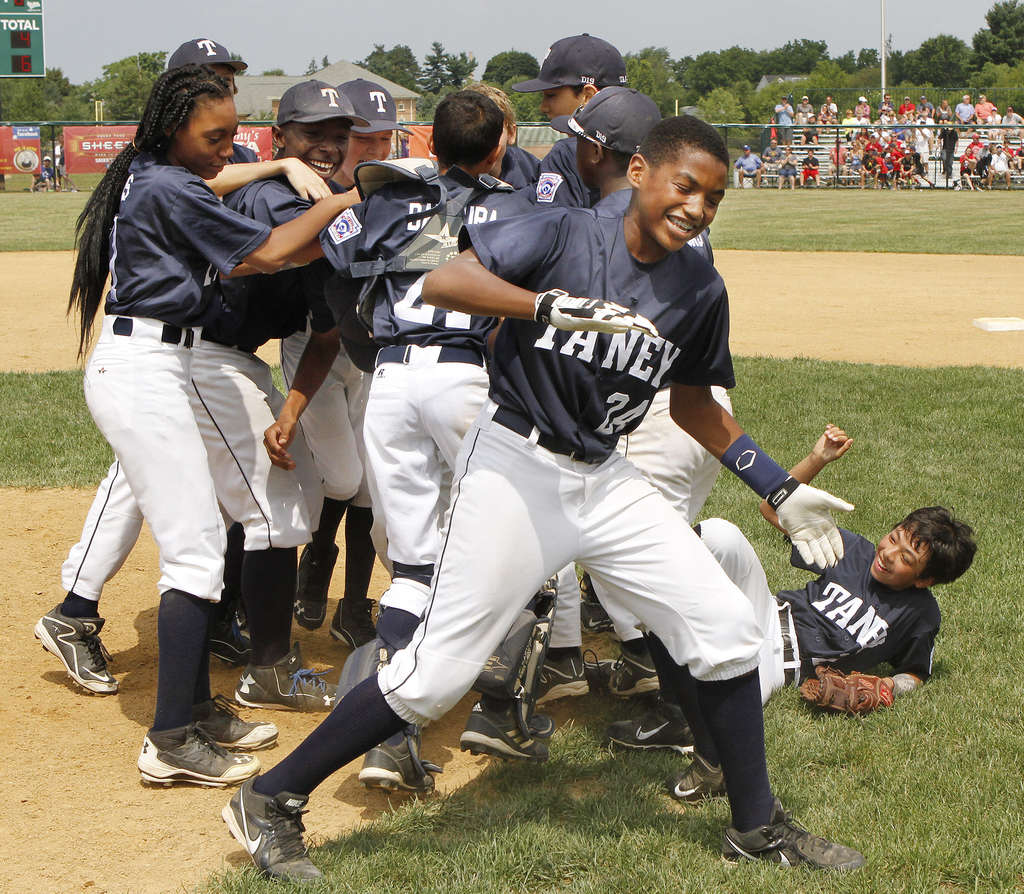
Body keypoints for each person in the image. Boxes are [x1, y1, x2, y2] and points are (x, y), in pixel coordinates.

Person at [222, 114, 865, 880]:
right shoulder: (563, 234)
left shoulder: (698, 286)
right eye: (684, 186)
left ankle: (755, 827)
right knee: (433, 675)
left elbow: (694, 405)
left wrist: (779, 483)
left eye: (714, 197)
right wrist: (545, 306)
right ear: (640, 175)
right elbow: (444, 279)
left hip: (607, 478)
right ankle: (271, 797)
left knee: (726, 630)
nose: (696, 207)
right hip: (516, 468)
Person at [59, 64, 357, 786]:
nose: (229, 149)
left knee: (198, 544)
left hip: (163, 364)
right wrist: (353, 197)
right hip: (146, 372)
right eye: (215, 135)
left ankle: (194, 710)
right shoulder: (165, 185)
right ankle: (169, 741)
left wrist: (296, 170)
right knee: (194, 556)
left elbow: (249, 214)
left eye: (234, 135)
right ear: (172, 129)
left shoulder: (157, 175)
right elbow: (273, 252)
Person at [269, 90, 535, 791]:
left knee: (413, 568)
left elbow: (319, 256)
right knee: (524, 526)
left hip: (388, 383)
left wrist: (350, 195)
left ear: (425, 143)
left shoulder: (383, 199)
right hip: (459, 375)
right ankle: (504, 702)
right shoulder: (504, 200)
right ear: (499, 146)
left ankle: (388, 738)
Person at [611, 427, 976, 792]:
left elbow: (915, 673)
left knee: (722, 714)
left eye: (905, 558)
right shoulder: (855, 551)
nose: (888, 554)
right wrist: (817, 459)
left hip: (778, 665)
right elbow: (772, 508)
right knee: (721, 535)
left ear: (925, 580)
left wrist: (886, 686)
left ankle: (679, 719)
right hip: (764, 609)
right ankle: (657, 663)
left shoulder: (920, 615)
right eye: (893, 538)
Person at [286, 77, 410, 649]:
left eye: (384, 138)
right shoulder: (315, 197)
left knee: (367, 487)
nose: (375, 150)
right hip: (315, 349)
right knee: (343, 477)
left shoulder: (393, 194)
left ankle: (353, 605)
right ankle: (316, 559)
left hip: (368, 358)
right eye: (363, 138)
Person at [511, 33, 629, 208]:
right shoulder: (651, 148)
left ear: (587, 96)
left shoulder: (565, 154)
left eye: (551, 95)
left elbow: (552, 228)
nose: (543, 107)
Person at [465, 82, 541, 190]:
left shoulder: (535, 174)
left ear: (511, 133)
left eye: (492, 131)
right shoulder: (442, 185)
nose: (481, 140)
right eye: (470, 131)